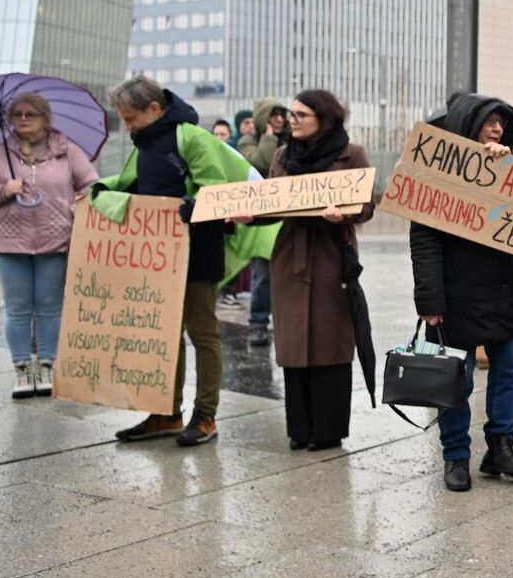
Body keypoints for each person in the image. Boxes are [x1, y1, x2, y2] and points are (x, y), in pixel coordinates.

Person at [102, 76, 269, 446]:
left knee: (203, 332)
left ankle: (205, 415)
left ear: (155, 109)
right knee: (165, 335)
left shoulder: (190, 137)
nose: (127, 126)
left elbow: (215, 187)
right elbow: (131, 182)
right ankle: (166, 413)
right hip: (160, 255)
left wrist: (191, 208)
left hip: (198, 250)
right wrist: (99, 191)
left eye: (131, 118)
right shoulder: (143, 143)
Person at [234, 90, 376, 451]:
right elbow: (275, 204)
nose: (291, 120)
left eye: (300, 115)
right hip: (290, 257)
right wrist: (251, 215)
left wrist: (344, 214)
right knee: (294, 343)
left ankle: (327, 431)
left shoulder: (352, 154)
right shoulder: (284, 154)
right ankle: (300, 428)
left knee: (330, 341)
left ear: (323, 118)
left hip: (331, 256)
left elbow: (367, 205)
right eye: (292, 114)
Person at [411, 92, 513, 492]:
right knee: (455, 380)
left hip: (505, 289)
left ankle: (501, 445)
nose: (497, 128)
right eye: (488, 121)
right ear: (467, 125)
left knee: (509, 369)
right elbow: (424, 240)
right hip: (456, 294)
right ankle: (455, 456)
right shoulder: (435, 172)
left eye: (502, 122)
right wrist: (430, 300)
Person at [0, 93, 99, 398]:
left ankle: (47, 365)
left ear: (46, 119)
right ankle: (22, 368)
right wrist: (2, 190)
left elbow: (92, 185)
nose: (23, 119)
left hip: (56, 240)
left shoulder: (68, 152)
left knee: (50, 307)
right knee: (18, 309)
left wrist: (77, 205)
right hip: (10, 244)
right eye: (18, 114)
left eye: (31, 114)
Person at [238, 97, 290, 348]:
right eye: (273, 115)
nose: (279, 119)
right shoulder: (248, 141)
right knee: (261, 275)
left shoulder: (293, 141)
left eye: (282, 114)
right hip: (262, 219)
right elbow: (264, 164)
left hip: (287, 217)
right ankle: (258, 324)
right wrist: (269, 137)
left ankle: (284, 324)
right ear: (262, 118)